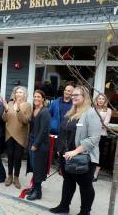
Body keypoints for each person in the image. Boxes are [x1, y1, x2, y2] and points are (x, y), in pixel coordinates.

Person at [50, 86, 101, 215]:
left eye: (77, 95)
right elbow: (64, 132)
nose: (73, 97)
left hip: (82, 157)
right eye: (72, 95)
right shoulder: (71, 112)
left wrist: (75, 151)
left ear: (85, 97)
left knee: (85, 186)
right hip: (66, 155)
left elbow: (94, 138)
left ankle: (85, 212)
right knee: (68, 181)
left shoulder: (91, 113)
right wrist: (60, 149)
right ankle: (64, 206)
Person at [2, 86, 32, 188]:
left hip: (20, 135)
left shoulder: (28, 105)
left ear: (24, 94)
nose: (18, 94)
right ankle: (9, 175)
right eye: (17, 92)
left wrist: (18, 109)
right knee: (10, 156)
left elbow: (25, 121)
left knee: (18, 157)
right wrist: (6, 110)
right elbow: (4, 119)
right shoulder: (10, 104)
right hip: (9, 133)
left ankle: (16, 177)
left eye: (21, 92)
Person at [26, 89, 51, 201]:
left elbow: (44, 130)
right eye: (34, 96)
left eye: (38, 97)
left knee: (38, 168)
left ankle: (38, 192)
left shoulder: (45, 111)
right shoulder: (34, 109)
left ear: (43, 99)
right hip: (32, 141)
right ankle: (34, 188)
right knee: (34, 166)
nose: (36, 98)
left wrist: (36, 144)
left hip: (40, 145)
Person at [93, 93, 112, 181]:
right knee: (91, 153)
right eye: (99, 99)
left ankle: (95, 174)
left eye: (102, 99)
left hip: (101, 135)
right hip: (92, 135)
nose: (100, 100)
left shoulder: (108, 110)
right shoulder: (93, 109)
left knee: (99, 154)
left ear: (105, 101)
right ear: (96, 100)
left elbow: (105, 124)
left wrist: (94, 124)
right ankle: (90, 171)